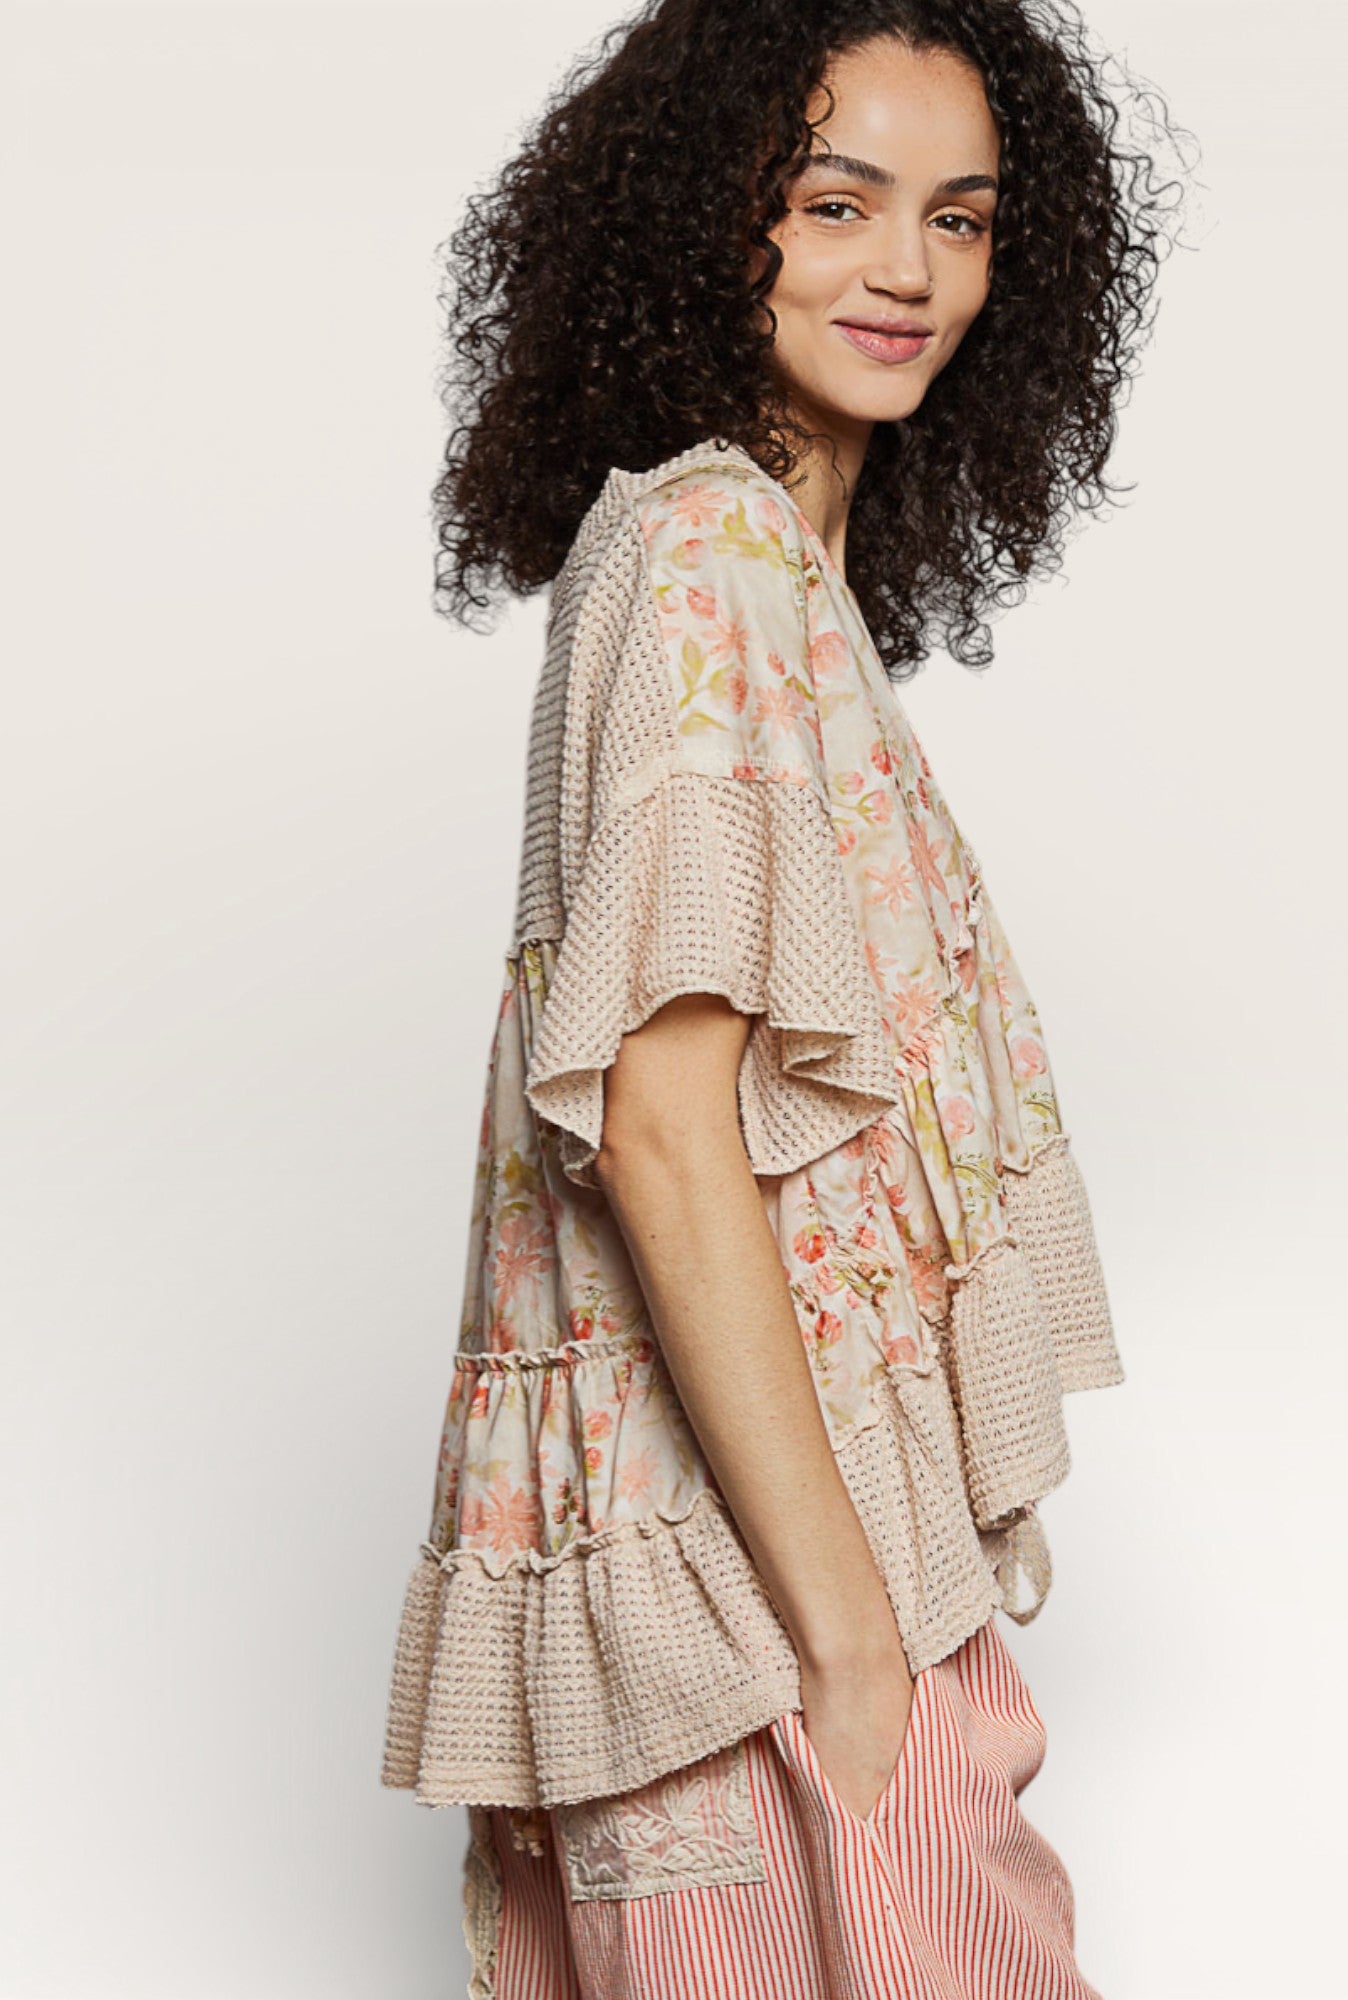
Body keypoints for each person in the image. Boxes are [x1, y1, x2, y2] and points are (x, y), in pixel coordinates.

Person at [381, 2, 1183, 1992]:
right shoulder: (709, 556)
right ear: (700, 229)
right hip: (764, 1599)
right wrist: (846, 1645)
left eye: (961, 218)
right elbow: (659, 1131)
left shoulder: (740, 573)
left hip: (740, 1579)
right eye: (835, 203)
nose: (907, 269)